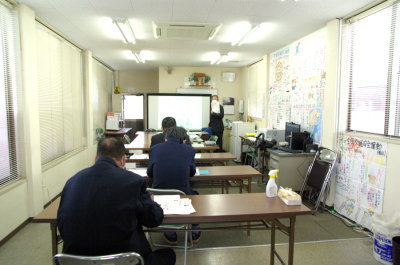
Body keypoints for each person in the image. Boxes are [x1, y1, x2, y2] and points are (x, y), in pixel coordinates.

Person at [57, 137, 176, 265]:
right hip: (124, 259)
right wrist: (151, 202)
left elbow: (62, 224)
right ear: (123, 160)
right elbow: (153, 219)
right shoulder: (134, 181)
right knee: (169, 255)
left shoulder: (72, 181)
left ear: (95, 158)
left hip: (75, 260)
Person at [147, 126, 201, 244]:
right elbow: (192, 173)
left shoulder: (155, 149)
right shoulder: (189, 150)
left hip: (158, 196)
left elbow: (149, 173)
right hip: (182, 194)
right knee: (196, 195)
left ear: (165, 138)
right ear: (183, 139)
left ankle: (170, 232)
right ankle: (195, 230)